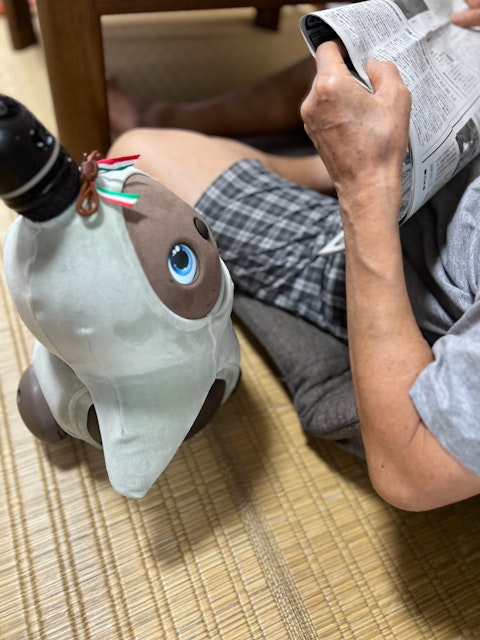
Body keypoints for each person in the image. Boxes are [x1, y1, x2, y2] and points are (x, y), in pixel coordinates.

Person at [108, 1, 480, 512]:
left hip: (386, 256)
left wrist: (364, 188)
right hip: (441, 179)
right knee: (356, 57)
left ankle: (321, 168)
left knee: (136, 157)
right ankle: (303, 164)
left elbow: (411, 469)